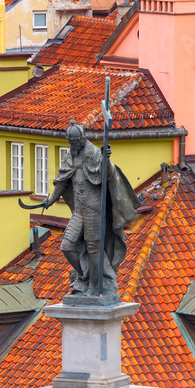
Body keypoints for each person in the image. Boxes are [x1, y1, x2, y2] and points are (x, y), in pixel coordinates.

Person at [43, 118, 139, 300]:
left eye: (75, 142)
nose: (73, 146)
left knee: (94, 248)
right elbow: (63, 179)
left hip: (95, 210)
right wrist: (51, 199)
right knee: (67, 246)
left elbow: (109, 174)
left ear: (82, 139)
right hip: (79, 211)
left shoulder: (94, 153)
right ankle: (86, 277)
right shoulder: (70, 155)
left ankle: (95, 286)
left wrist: (106, 159)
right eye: (70, 142)